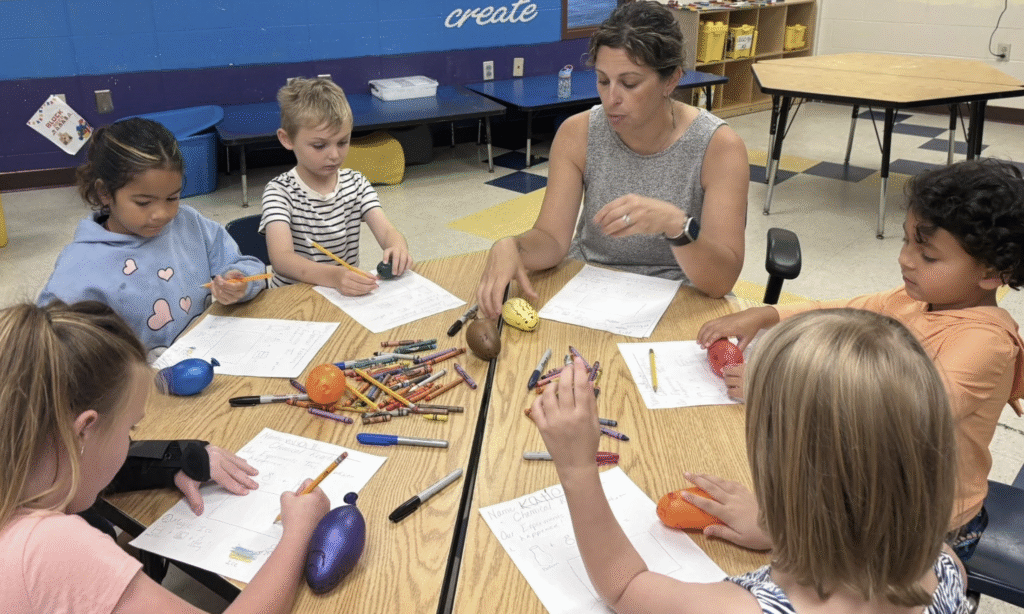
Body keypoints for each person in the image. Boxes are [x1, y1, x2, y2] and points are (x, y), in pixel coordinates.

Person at [530, 309, 967, 614]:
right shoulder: (945, 566)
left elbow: (624, 587)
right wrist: (784, 532)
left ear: (783, 474)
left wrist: (577, 468)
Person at [697, 158, 1024, 560]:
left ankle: (783, 532)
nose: (906, 259)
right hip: (875, 487)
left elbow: (894, 415)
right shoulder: (919, 300)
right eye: (906, 241)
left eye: (929, 256)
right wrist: (768, 315)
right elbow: (843, 311)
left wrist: (774, 385)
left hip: (923, 526)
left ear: (992, 272)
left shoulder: (985, 343)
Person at [0, 301, 329, 614]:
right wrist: (300, 531)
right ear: (84, 429)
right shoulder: (50, 547)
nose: (130, 441)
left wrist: (169, 463)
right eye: (130, 429)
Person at [475, 1, 748, 319]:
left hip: (680, 301)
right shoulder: (578, 133)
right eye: (603, 80)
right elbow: (551, 239)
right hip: (587, 290)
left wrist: (675, 225)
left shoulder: (719, 147)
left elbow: (720, 281)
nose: (611, 98)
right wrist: (514, 247)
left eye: (629, 83)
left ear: (671, 80)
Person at [38, 117, 267, 361]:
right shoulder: (80, 267)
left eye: (173, 198)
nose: (163, 214)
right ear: (104, 192)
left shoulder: (189, 223)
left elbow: (248, 266)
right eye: (144, 202)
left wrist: (240, 283)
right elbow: (48, 344)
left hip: (208, 359)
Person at [261, 77, 412, 295]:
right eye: (319, 145)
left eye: (343, 142)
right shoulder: (279, 192)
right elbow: (282, 260)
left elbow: (387, 231)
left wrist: (398, 247)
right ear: (287, 139)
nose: (334, 155)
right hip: (293, 299)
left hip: (343, 296)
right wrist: (334, 276)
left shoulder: (357, 183)